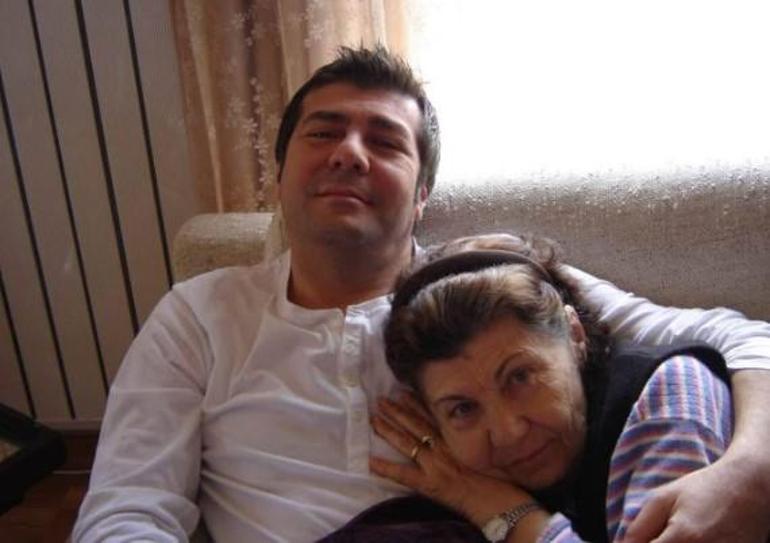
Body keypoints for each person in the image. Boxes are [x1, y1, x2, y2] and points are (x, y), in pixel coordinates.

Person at [72, 46, 770, 542]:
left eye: (385, 142)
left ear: (422, 194)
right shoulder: (198, 313)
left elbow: (738, 337)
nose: (349, 152)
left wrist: (750, 468)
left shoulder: (486, 283)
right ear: (279, 173)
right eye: (324, 132)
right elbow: (129, 506)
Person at [322, 234, 733, 542]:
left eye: (520, 378)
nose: (508, 432)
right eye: (463, 409)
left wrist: (503, 510)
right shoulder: (453, 482)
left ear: (574, 335)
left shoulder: (668, 397)